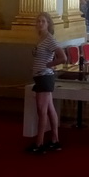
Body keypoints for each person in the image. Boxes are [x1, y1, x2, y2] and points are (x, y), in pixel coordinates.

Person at [29, 12, 65, 154]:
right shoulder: (40, 38)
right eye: (38, 21)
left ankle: (39, 143)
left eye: (43, 21)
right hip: (40, 77)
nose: (40, 23)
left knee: (42, 111)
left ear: (48, 24)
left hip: (45, 77)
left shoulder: (49, 39)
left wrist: (49, 64)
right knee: (49, 110)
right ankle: (55, 139)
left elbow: (62, 57)